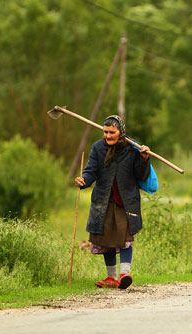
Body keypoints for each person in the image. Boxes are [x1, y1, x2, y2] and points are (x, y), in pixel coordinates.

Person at [75, 115, 150, 289]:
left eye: (112, 132)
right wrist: (83, 180)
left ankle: (125, 274)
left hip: (126, 201)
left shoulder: (133, 148)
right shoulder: (97, 148)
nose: (108, 136)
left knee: (125, 237)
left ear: (121, 132)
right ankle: (111, 278)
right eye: (105, 132)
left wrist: (144, 159)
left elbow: (141, 175)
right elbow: (90, 171)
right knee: (105, 239)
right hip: (103, 201)